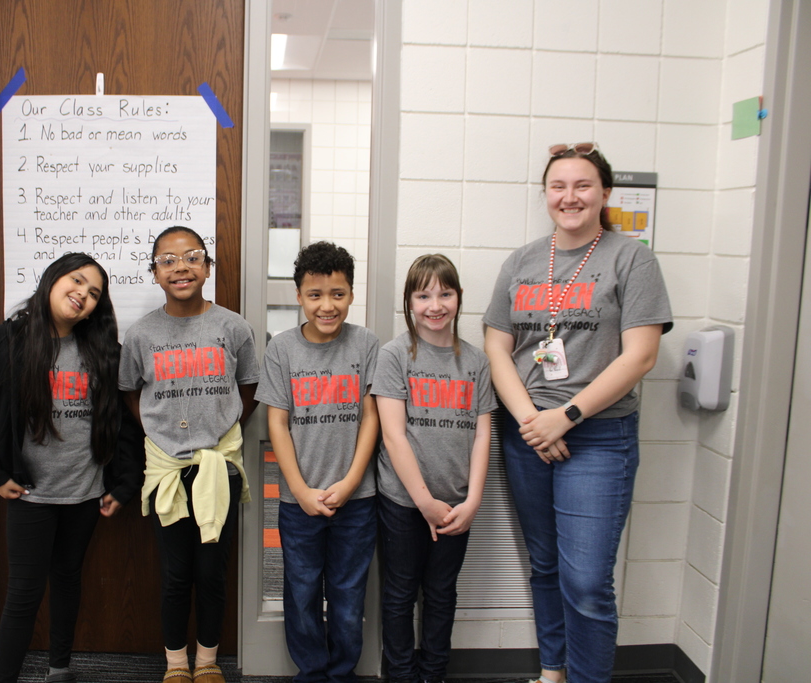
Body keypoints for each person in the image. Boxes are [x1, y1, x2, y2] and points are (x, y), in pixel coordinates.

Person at [483, 142, 673, 683]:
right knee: (545, 566)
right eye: (558, 186)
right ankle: (553, 672)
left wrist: (563, 417)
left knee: (586, 581)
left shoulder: (631, 258)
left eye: (583, 185)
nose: (570, 197)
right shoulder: (522, 260)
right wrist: (530, 421)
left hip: (597, 436)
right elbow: (498, 346)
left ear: (604, 193)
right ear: (546, 194)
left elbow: (641, 355)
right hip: (526, 434)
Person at [0, 252, 143, 683]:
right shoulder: (5, 342)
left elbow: (126, 426)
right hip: (31, 495)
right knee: (23, 594)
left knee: (68, 579)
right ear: (53, 279)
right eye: (77, 282)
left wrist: (123, 484)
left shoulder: (103, 351)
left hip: (85, 493)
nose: (83, 296)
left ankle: (59, 670)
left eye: (94, 293)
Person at [119, 226, 259, 683]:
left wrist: (221, 426)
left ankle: (208, 662)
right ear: (155, 273)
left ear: (208, 267)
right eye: (168, 260)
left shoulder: (233, 327)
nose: (181, 266)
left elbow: (250, 388)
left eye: (192, 256)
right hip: (166, 468)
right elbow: (130, 392)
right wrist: (157, 431)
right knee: (176, 574)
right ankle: (176, 664)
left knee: (211, 574)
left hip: (220, 464)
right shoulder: (141, 334)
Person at [256, 242, 380, 683]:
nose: (327, 306)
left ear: (350, 294)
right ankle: (311, 672)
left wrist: (349, 483)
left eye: (338, 294)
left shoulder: (366, 343)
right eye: (315, 295)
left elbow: (372, 417)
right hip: (298, 502)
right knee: (302, 592)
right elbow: (277, 425)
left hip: (358, 499)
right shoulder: (282, 349)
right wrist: (301, 491)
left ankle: (342, 672)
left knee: (348, 594)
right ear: (298, 296)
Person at [372, 254, 495, 683]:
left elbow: (483, 435)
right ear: (409, 302)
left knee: (442, 594)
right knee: (401, 593)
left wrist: (473, 501)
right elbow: (393, 436)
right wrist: (423, 502)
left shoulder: (477, 363)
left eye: (445, 293)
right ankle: (402, 675)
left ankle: (434, 673)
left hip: (457, 505)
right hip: (405, 502)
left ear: (459, 298)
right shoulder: (393, 356)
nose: (435, 304)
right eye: (423, 295)